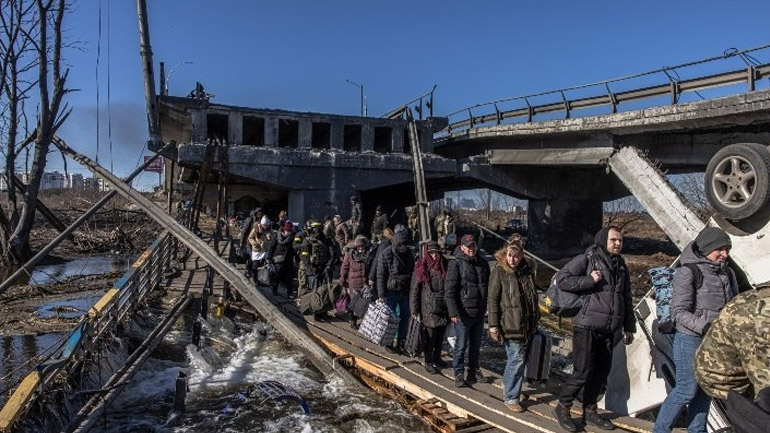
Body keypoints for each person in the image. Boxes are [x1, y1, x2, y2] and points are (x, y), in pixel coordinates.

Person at [651, 227, 737, 433]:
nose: (725, 254)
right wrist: (705, 326)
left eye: (727, 249)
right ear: (707, 248)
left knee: (705, 390)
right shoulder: (688, 271)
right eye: (720, 249)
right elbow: (678, 312)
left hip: (715, 341)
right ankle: (660, 430)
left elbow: (734, 304)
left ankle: (697, 431)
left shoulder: (727, 272)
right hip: (690, 339)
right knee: (686, 390)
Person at [552, 226, 635, 432]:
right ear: (603, 240)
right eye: (614, 240)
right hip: (586, 324)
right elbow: (562, 279)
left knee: (601, 373)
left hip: (609, 327)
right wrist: (590, 280)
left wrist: (628, 327)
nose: (618, 244)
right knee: (583, 371)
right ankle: (563, 406)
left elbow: (626, 298)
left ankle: (590, 410)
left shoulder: (621, 265)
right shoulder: (589, 257)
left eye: (620, 241)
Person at [487, 240, 540, 413]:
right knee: (516, 359)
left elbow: (532, 296)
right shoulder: (500, 271)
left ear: (522, 256)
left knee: (517, 359)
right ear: (506, 254)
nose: (512, 259)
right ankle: (511, 397)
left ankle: (510, 386)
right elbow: (493, 299)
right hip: (510, 323)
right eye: (510, 255)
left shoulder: (526, 270)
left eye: (516, 256)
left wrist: (535, 318)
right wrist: (493, 325)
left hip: (525, 324)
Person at [445, 234, 490, 388]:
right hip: (463, 313)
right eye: (468, 246)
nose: (471, 249)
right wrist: (453, 312)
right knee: (461, 345)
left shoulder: (483, 263)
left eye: (473, 246)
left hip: (479, 311)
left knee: (476, 345)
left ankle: (473, 371)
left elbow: (487, 287)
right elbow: (449, 291)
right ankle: (458, 372)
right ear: (462, 247)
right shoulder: (456, 264)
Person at [411, 241, 449, 373]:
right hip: (427, 306)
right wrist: (414, 310)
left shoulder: (444, 264)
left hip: (442, 305)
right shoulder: (422, 266)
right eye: (431, 252)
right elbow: (415, 290)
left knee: (440, 335)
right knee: (429, 337)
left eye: (436, 252)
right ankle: (428, 361)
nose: (434, 255)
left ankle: (437, 358)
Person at [376, 228, 415, 353]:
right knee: (390, 317)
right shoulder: (386, 254)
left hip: (405, 290)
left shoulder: (409, 254)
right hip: (391, 290)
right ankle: (388, 341)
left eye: (405, 245)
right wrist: (381, 295)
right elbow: (381, 275)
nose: (403, 248)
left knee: (405, 316)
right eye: (400, 245)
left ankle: (401, 341)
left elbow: (412, 271)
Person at [340, 235, 371, 329]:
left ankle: (362, 321)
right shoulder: (349, 254)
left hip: (364, 282)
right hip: (353, 282)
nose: (361, 248)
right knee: (355, 302)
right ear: (356, 246)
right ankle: (353, 321)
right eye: (359, 246)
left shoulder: (368, 255)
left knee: (364, 302)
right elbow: (344, 267)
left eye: (362, 246)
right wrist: (342, 278)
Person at [299, 220, 336, 296]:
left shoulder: (327, 240)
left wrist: (328, 266)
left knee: (324, 291)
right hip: (314, 269)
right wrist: (311, 269)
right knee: (312, 292)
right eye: (316, 228)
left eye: (319, 228)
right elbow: (305, 257)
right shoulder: (308, 241)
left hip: (324, 269)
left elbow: (332, 254)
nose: (317, 231)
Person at [268, 220, 296, 298]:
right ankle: (274, 290)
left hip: (288, 259)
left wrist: (296, 258)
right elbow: (272, 247)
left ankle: (289, 293)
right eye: (287, 231)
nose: (288, 233)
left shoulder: (293, 237)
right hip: (278, 259)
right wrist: (269, 257)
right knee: (277, 276)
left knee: (289, 278)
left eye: (289, 231)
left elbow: (295, 249)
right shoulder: (277, 236)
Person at [247, 215, 274, 285]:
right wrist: (254, 243)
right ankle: (255, 279)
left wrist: (270, 237)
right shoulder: (256, 229)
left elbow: (274, 237)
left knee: (265, 265)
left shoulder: (269, 230)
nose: (266, 227)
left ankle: (263, 279)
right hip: (257, 249)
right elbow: (250, 238)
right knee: (255, 265)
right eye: (265, 225)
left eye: (267, 225)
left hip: (265, 249)